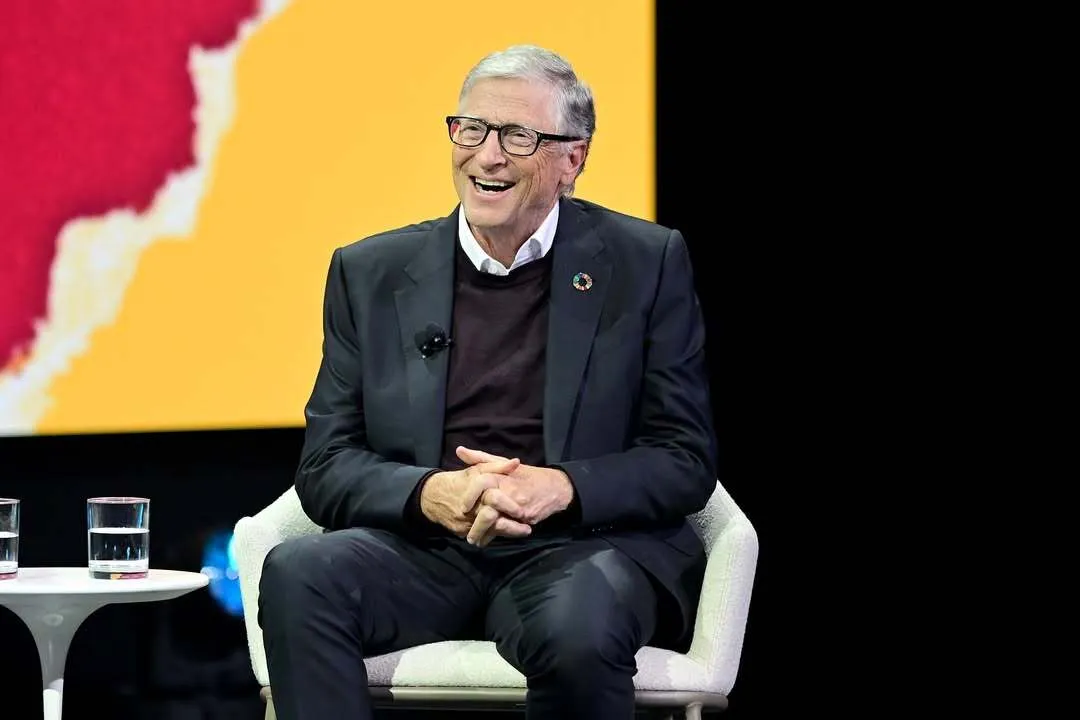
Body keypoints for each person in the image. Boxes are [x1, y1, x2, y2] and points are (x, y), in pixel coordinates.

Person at [258, 44, 718, 720]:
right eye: (471, 129)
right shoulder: (369, 272)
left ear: (573, 159)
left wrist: (560, 487)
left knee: (578, 629)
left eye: (517, 136)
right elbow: (325, 466)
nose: (487, 155)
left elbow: (684, 459)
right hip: (424, 550)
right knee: (300, 575)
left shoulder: (644, 263)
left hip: (581, 547)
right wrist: (430, 492)